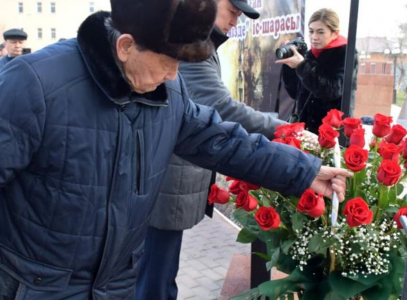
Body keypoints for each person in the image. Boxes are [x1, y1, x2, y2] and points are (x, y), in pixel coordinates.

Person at [0, 0, 351, 298]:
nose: (173, 76)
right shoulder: (34, 84)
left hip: (115, 285)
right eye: (168, 63)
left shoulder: (169, 92)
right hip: (37, 286)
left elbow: (224, 141)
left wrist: (305, 170)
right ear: (125, 46)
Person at [135, 1, 287, 299]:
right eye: (233, 12)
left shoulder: (201, 45)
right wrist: (279, 127)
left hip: (171, 176)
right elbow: (219, 107)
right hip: (167, 180)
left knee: (160, 270)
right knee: (155, 273)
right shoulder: (191, 46)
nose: (235, 22)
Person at [276, 8, 358, 134]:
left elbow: (333, 91)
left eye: (320, 32)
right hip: (306, 131)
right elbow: (295, 93)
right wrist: (290, 66)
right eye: (311, 31)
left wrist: (302, 66)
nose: (314, 37)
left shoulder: (346, 54)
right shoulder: (310, 54)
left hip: (332, 132)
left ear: (335, 33)